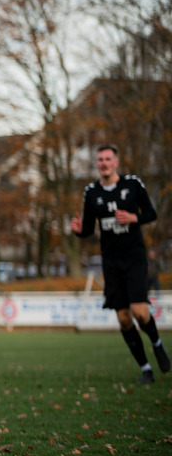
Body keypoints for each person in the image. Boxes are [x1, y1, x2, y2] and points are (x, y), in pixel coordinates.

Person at [70, 144, 168, 385]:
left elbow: (151, 214)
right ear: (97, 164)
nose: (103, 163)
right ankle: (146, 369)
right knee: (124, 318)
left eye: (108, 159)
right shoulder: (91, 192)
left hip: (134, 258)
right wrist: (79, 231)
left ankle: (156, 343)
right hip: (111, 262)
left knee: (140, 312)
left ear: (116, 161)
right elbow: (89, 228)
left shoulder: (133, 184)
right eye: (100, 160)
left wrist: (134, 217)